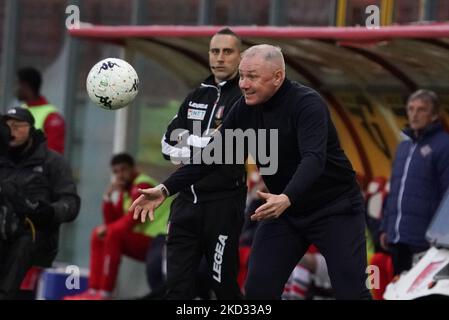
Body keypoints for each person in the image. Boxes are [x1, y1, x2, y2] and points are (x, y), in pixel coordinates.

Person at [130, 44, 371, 300]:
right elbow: (211, 156)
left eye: (252, 76)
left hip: (333, 208)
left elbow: (314, 159)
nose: (243, 84)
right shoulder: (245, 109)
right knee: (258, 293)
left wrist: (287, 196)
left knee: (351, 293)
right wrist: (165, 189)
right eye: (242, 75)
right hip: (283, 211)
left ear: (278, 76)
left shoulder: (307, 104)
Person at [155, 27, 247, 300]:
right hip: (185, 204)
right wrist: (204, 142)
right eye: (215, 51)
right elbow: (166, 145)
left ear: (240, 57)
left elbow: (228, 150)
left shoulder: (245, 98)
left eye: (227, 51)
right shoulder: (196, 95)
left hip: (223, 204)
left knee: (223, 288)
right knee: (177, 289)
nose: (220, 57)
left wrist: (189, 141)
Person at [65, 153, 170, 300]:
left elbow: (134, 219)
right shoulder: (126, 191)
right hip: (148, 241)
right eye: (116, 171)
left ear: (134, 169)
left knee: (113, 234)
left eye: (123, 170)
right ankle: (94, 290)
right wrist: (108, 197)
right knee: (98, 234)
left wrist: (109, 230)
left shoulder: (142, 186)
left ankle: (105, 294)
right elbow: (113, 222)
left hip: (161, 242)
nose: (120, 175)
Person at [0, 107, 80, 299]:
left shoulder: (52, 162)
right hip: (4, 229)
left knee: (24, 244)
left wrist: (50, 212)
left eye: (18, 126)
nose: (12, 131)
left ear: (31, 129)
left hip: (36, 234)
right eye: (7, 126)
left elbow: (71, 202)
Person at [380, 90, 449, 276]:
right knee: (399, 291)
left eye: (421, 110)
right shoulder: (403, 146)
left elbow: (447, 196)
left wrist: (441, 236)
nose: (414, 114)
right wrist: (386, 227)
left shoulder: (444, 146)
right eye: (410, 109)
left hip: (425, 241)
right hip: (397, 237)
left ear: (434, 114)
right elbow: (394, 190)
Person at [16, 67, 65, 154]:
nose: (16, 89)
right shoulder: (19, 110)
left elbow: (54, 157)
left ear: (26, 86)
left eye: (19, 85)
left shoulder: (51, 117)